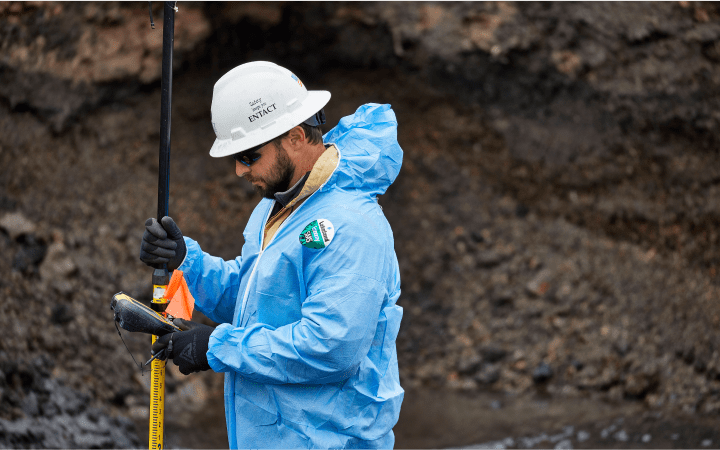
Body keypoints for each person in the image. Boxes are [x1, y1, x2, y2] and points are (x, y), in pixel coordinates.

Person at [139, 61, 404, 449]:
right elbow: (254, 302)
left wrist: (218, 346)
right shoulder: (278, 204)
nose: (238, 170)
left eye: (248, 155)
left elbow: (331, 348)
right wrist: (186, 261)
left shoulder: (352, 226)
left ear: (295, 137)